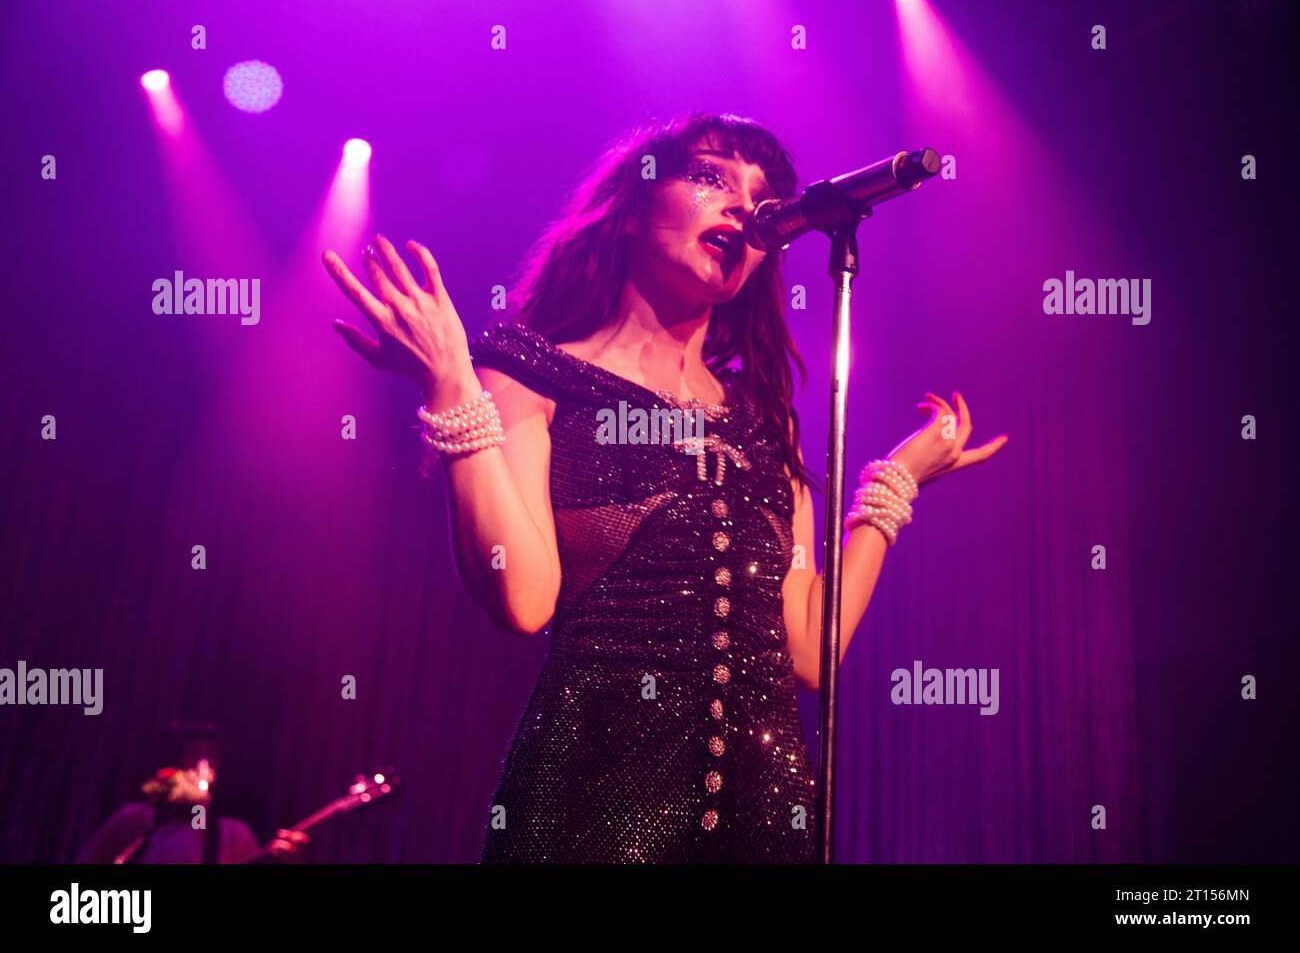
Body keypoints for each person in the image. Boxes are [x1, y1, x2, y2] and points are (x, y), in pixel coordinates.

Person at [322, 111, 1007, 863]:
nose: (745, 205)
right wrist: (452, 385)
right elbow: (522, 597)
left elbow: (809, 649)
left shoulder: (759, 422)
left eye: (762, 194)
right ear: (632, 206)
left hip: (767, 819)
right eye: (710, 177)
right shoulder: (534, 374)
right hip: (595, 808)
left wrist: (892, 486)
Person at [76, 723, 308, 864]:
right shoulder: (134, 818)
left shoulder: (234, 835)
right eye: (193, 753)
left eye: (211, 756)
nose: (201, 764)